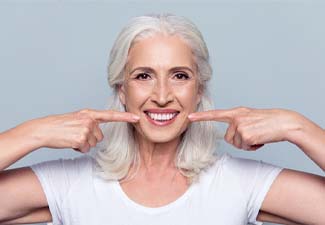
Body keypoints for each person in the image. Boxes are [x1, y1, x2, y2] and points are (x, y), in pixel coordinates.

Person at [0, 13, 324, 225]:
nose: (162, 95)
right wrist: (34, 133)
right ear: (121, 89)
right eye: (143, 76)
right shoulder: (70, 185)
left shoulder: (238, 183)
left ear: (199, 89)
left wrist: (296, 127)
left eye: (180, 76)